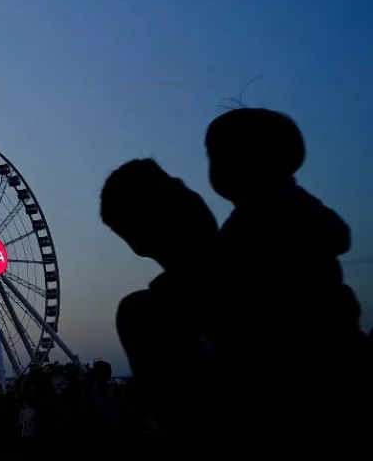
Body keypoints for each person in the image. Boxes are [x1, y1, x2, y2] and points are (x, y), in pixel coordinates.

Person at [204, 108, 365, 451]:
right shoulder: (291, 205)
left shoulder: (255, 220)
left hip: (293, 350)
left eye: (217, 158)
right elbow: (339, 235)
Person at [100, 158, 220, 446]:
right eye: (168, 201)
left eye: (180, 188)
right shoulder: (146, 315)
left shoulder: (143, 312)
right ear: (138, 243)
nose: (187, 202)